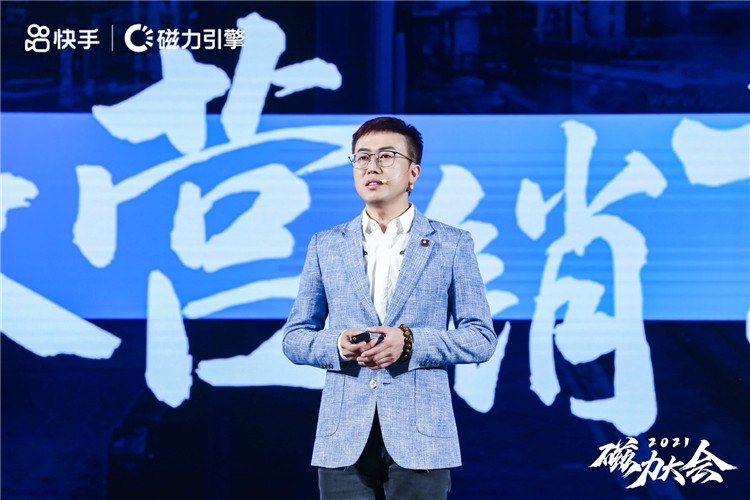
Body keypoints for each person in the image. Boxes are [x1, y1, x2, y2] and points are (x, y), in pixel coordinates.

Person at [283, 116, 497, 499]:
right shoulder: (326, 245)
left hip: (422, 437)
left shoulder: (451, 244)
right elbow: (295, 338)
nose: (372, 167)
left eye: (386, 156)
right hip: (343, 438)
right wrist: (338, 345)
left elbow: (480, 338)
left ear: (413, 173)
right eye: (362, 157)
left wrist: (409, 342)